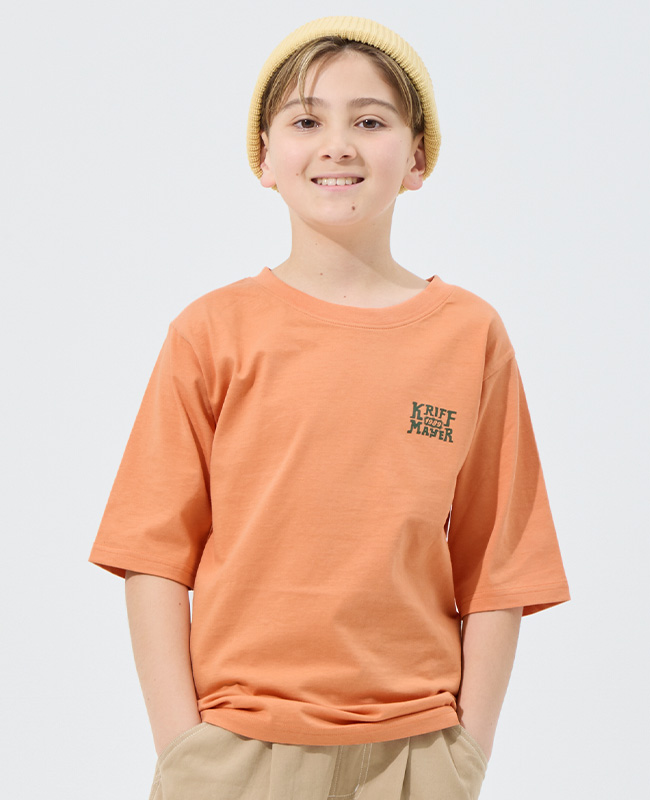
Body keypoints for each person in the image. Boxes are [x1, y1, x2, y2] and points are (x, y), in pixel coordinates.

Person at [89, 16, 570, 800]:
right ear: (265, 157)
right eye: (307, 121)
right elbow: (152, 554)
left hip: (417, 751)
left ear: (416, 158)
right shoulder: (211, 332)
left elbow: (499, 565)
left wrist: (465, 754)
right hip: (236, 750)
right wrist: (182, 746)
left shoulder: (469, 335)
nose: (338, 145)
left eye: (370, 122)